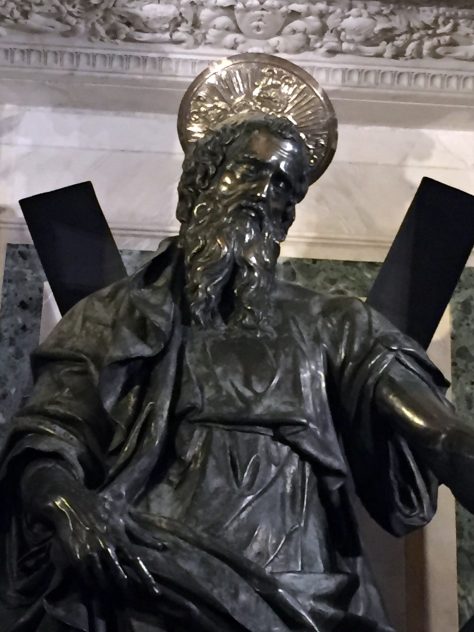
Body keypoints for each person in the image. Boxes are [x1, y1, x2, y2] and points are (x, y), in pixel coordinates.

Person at [1, 81, 474, 632]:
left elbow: (440, 434)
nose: (265, 193)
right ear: (199, 184)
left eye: (284, 186)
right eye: (250, 170)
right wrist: (68, 505)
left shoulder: (335, 325)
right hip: (144, 580)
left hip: (297, 597)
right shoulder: (112, 316)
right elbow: (45, 443)